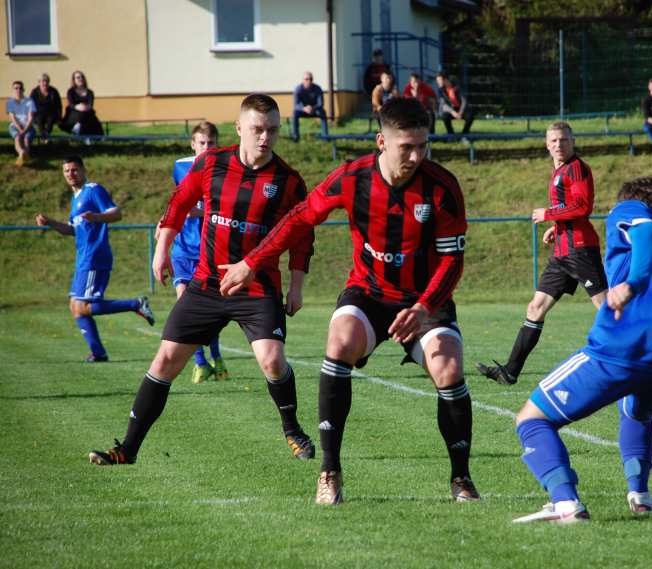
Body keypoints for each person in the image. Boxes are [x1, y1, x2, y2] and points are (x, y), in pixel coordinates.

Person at [219, 97, 479, 506]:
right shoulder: (352, 178)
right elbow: (300, 218)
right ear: (381, 141)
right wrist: (253, 262)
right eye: (405, 147)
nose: (415, 156)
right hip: (370, 292)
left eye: (422, 146)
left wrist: (425, 306)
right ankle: (329, 472)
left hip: (425, 299)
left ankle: (461, 479)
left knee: (448, 369)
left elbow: (452, 261)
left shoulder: (442, 187)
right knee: (339, 341)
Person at [87, 93, 316, 467]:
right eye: (258, 129)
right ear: (239, 127)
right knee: (164, 362)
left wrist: (297, 285)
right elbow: (179, 203)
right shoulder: (212, 164)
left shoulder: (289, 181)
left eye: (273, 130)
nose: (265, 137)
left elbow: (302, 236)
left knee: (272, 362)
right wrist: (162, 249)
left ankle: (292, 429)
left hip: (257, 287)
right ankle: (126, 449)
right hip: (207, 284)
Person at [512, 177, 652, 524]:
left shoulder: (634, 210)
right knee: (635, 409)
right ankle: (641, 495)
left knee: (531, 419)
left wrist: (633, 283)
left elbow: (644, 227)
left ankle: (565, 504)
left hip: (628, 347)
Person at [477, 122, 607, 386]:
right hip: (561, 253)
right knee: (535, 307)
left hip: (581, 250)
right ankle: (510, 372)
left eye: (564, 140)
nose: (559, 145)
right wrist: (555, 227)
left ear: (572, 141)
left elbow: (582, 207)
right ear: (547, 145)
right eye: (554, 141)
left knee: (606, 309)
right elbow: (568, 208)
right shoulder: (558, 171)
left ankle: (642, 359)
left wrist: (548, 214)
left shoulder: (578, 168)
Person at [35, 156, 156, 361]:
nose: (71, 174)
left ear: (83, 170)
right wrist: (50, 222)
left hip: (94, 256)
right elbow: (72, 229)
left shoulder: (93, 190)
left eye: (74, 170)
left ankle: (135, 304)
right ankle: (98, 353)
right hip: (83, 257)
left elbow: (116, 213)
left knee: (83, 306)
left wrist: (97, 217)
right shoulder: (76, 198)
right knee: (75, 306)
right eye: (66, 171)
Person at [161, 121, 230, 384]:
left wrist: (199, 211)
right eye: (202, 143)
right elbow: (178, 200)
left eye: (211, 144)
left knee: (207, 310)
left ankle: (217, 358)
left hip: (208, 250)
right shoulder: (180, 166)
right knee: (184, 306)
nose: (206, 148)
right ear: (193, 144)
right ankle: (201, 364)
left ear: (217, 144)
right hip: (182, 248)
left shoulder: (225, 168)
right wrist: (164, 222)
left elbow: (221, 207)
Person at [60, 70, 103, 136]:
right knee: (81, 115)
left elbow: (90, 105)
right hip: (74, 113)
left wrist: (85, 107)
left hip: (87, 112)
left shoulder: (90, 92)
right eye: (78, 77)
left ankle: (79, 130)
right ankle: (85, 136)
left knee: (87, 116)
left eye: (82, 77)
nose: (80, 79)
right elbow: (71, 104)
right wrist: (78, 107)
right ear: (74, 80)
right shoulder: (71, 91)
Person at [291, 71, 328, 142]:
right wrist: (304, 108)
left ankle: (325, 137)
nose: (309, 81)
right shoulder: (298, 89)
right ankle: (295, 137)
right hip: (303, 111)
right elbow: (296, 105)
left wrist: (313, 108)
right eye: (306, 79)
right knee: (295, 113)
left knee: (323, 112)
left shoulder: (318, 88)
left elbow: (321, 103)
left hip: (315, 110)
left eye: (311, 79)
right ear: (303, 80)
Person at [7, 80, 35, 166]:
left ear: (23, 89)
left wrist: (25, 129)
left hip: (28, 126)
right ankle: (22, 153)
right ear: (13, 90)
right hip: (15, 126)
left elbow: (31, 118)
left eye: (20, 88)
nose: (18, 90)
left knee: (26, 140)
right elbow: (13, 118)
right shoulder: (10, 102)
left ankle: (21, 156)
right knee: (17, 137)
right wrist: (20, 129)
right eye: (16, 88)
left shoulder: (30, 101)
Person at [29, 73, 62, 141]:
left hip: (51, 113)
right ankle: (44, 137)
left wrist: (59, 116)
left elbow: (59, 105)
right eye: (43, 81)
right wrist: (30, 116)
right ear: (39, 82)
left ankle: (45, 136)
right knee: (39, 119)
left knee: (50, 119)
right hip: (38, 113)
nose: (45, 83)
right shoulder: (34, 92)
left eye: (46, 81)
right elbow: (31, 105)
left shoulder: (54, 91)